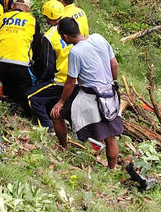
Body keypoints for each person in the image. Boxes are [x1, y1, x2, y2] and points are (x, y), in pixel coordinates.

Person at [50, 18, 125, 168]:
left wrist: (61, 102)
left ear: (65, 36)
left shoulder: (75, 52)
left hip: (90, 97)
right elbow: (115, 65)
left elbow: (70, 82)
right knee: (110, 138)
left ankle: (63, 147)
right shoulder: (99, 38)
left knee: (56, 115)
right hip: (110, 94)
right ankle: (111, 170)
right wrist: (110, 82)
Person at [0, 0, 44, 115]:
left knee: (8, 81)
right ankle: (27, 113)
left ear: (12, 6)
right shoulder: (32, 21)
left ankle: (8, 101)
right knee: (29, 89)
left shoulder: (1, 18)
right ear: (27, 9)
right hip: (20, 64)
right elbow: (36, 46)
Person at [27, 0, 71, 129]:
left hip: (61, 79)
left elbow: (48, 66)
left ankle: (47, 126)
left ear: (47, 17)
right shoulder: (72, 26)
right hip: (76, 78)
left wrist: (41, 80)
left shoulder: (49, 37)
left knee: (31, 97)